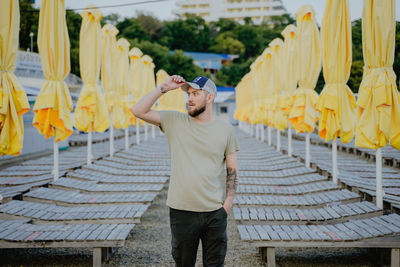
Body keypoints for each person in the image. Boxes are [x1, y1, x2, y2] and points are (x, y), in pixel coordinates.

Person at [132, 75, 239, 267]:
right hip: (182, 212)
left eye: (196, 94)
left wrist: (227, 206)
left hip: (215, 212)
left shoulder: (226, 130)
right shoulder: (174, 121)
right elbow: (138, 110)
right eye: (189, 94)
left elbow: (232, 170)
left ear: (210, 97)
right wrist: (163, 88)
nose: (189, 98)